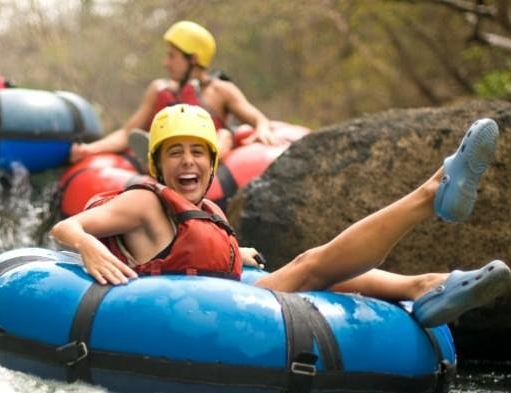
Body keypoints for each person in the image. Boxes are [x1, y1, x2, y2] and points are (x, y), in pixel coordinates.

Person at [51, 104, 511, 327]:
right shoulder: (145, 201)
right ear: (157, 164)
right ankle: (432, 191)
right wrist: (88, 244)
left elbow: (191, 252)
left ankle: (426, 286)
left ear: (212, 164)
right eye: (175, 153)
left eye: (197, 153)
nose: (187, 162)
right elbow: (66, 226)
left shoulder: (205, 209)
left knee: (320, 266)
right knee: (313, 265)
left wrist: (238, 254)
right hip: (194, 315)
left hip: (215, 299)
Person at [69, 20, 284, 164]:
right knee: (157, 139)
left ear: (193, 59)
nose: (166, 63)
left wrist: (263, 127)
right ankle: (155, 155)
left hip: (204, 159)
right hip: (169, 155)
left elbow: (256, 117)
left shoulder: (221, 90)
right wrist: (91, 149)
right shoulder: (158, 89)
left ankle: (204, 161)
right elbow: (127, 133)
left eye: (172, 56)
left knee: (225, 134)